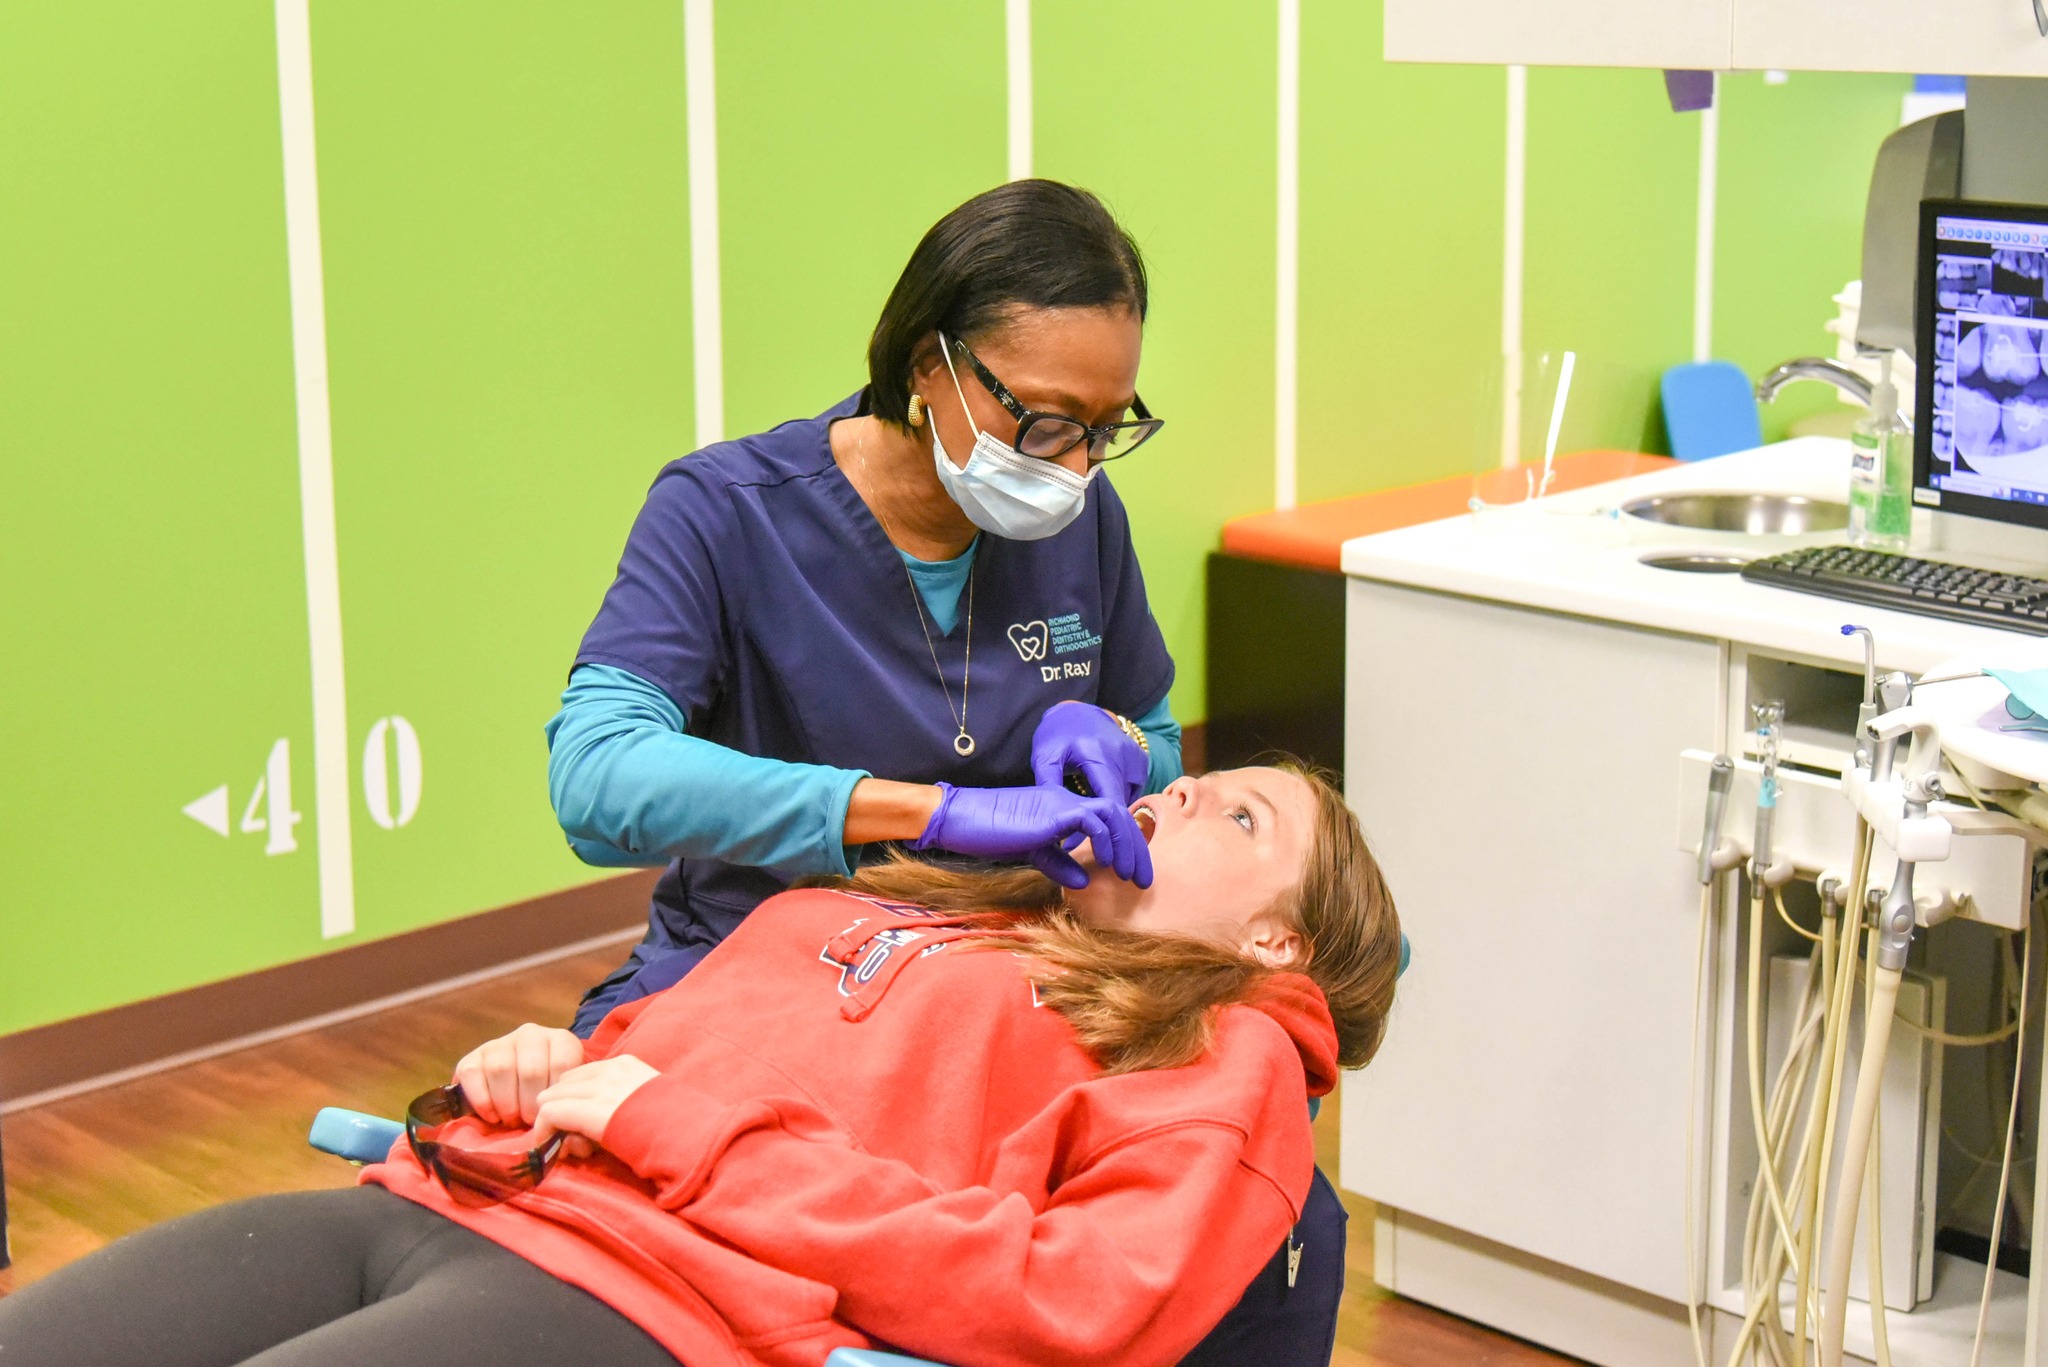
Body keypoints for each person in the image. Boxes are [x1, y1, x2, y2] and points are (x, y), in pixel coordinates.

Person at [0, 766, 1401, 1367]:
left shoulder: (1224, 1054)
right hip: (453, 1198)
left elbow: (1075, 1301)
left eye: (1240, 814)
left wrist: (690, 1134)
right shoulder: (930, 908)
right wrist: (544, 1057)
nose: (1170, 792)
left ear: (1280, 937)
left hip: (656, 1307)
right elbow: (647, 1063)